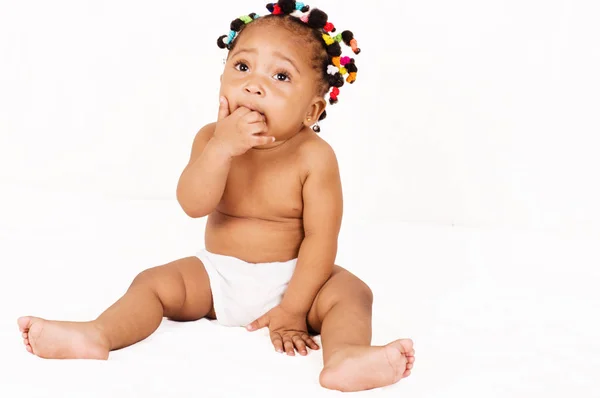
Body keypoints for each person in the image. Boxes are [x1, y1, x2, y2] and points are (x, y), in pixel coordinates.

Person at [17, 0, 415, 392]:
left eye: (280, 77)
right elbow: (193, 205)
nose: (253, 84)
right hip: (218, 276)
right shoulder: (211, 139)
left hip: (298, 279)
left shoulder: (315, 157)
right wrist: (221, 150)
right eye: (242, 67)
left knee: (352, 293)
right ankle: (98, 334)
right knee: (152, 283)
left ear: (311, 110)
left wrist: (294, 309)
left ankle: (346, 355)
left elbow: (321, 238)